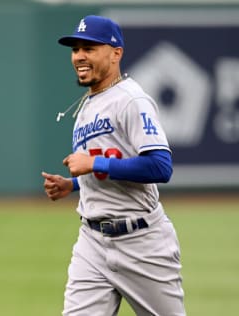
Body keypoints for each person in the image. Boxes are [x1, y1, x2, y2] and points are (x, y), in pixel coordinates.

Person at [42, 15, 186, 315]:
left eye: (90, 48)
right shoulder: (88, 105)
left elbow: (160, 167)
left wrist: (93, 162)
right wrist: (72, 185)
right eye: (75, 48)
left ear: (115, 53)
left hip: (141, 241)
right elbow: (108, 167)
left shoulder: (131, 100)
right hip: (91, 242)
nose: (79, 56)